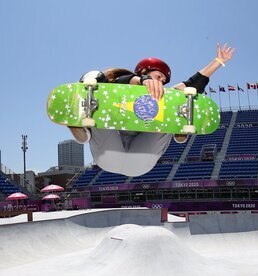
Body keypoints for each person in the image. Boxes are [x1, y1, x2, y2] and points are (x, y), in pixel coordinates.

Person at [69, 43, 235, 177]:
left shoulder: (164, 95)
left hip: (141, 161)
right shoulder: (118, 85)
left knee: (174, 101)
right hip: (108, 151)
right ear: (144, 72)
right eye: (159, 77)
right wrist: (142, 81)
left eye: (164, 80)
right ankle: (82, 125)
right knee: (96, 80)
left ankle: (178, 127)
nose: (161, 82)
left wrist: (218, 61)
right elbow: (124, 81)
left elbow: (194, 83)